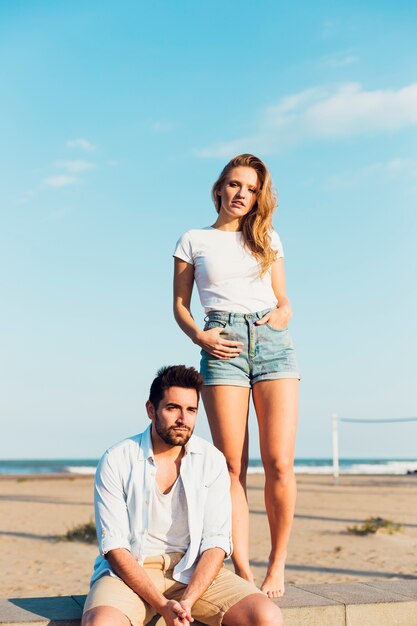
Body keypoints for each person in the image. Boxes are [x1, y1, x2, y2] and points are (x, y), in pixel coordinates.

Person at [173, 154, 299, 598]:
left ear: (258, 196)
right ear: (219, 189)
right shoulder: (193, 240)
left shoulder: (269, 239)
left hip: (272, 344)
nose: (241, 193)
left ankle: (276, 565)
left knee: (279, 463)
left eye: (250, 187)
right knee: (231, 466)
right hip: (221, 344)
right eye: (233, 184)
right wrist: (201, 339)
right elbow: (180, 306)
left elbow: (284, 299)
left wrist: (282, 315)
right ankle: (242, 565)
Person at [82, 365, 283, 626]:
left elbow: (217, 543)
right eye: (172, 408)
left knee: (267, 616)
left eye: (191, 410)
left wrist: (187, 601)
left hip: (193, 571)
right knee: (100, 624)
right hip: (131, 573)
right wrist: (163, 605)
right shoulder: (117, 459)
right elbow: (115, 548)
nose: (183, 419)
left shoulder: (210, 460)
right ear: (151, 410)